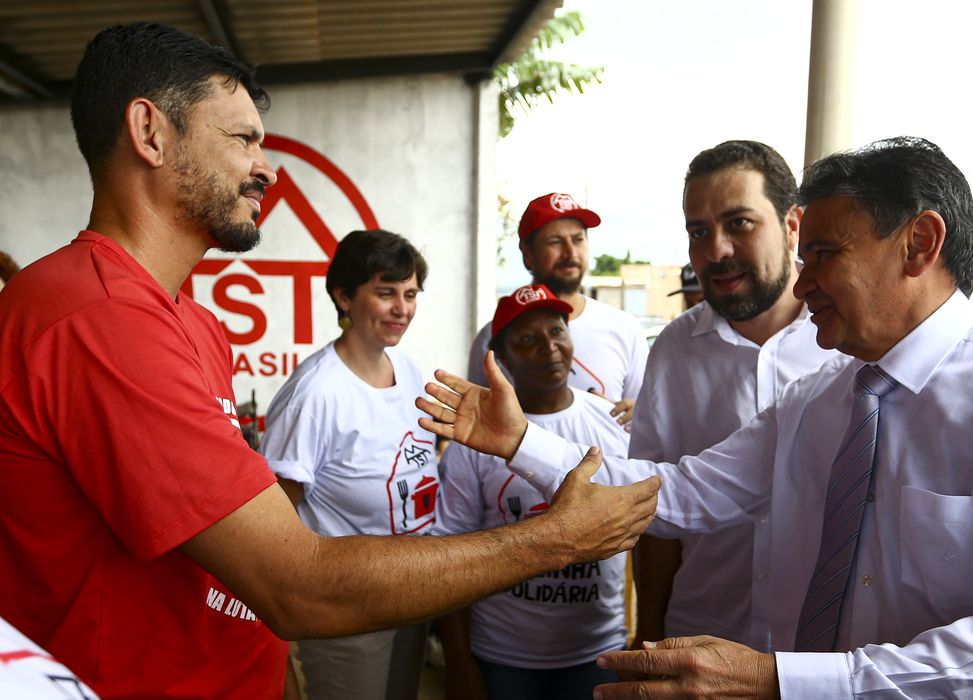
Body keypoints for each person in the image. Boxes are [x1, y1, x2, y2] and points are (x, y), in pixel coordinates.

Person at [0, 22, 660, 699]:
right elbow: (297, 584)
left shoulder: (187, 322)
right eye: (242, 139)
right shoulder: (97, 318)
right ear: (149, 132)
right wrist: (559, 538)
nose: (265, 167)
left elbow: (226, 560)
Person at [418, 136, 973, 698]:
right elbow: (672, 493)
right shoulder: (823, 399)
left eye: (825, 254)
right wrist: (520, 441)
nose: (802, 285)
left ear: (920, 244)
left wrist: (785, 681)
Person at [631, 140, 837, 653]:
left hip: (825, 654)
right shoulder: (674, 350)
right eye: (698, 232)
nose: (716, 250)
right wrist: (650, 633)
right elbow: (653, 513)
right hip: (698, 638)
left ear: (793, 225)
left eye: (739, 223)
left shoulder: (851, 342)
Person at [260, 229, 437, 700]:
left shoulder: (410, 370)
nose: (402, 308)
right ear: (344, 296)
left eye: (410, 294)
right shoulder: (315, 394)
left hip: (415, 588)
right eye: (386, 293)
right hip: (349, 606)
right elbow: (275, 518)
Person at [435, 284, 631, 700]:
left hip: (597, 652)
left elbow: (649, 531)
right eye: (527, 339)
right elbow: (448, 554)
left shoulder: (611, 421)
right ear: (501, 359)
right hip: (502, 656)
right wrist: (459, 661)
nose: (549, 347)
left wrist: (648, 627)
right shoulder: (474, 439)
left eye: (557, 331)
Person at [467, 193, 649, 428]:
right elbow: (481, 421)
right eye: (555, 242)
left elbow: (644, 415)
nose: (570, 253)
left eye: (578, 240)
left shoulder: (624, 328)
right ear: (528, 254)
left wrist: (638, 415)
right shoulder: (494, 337)